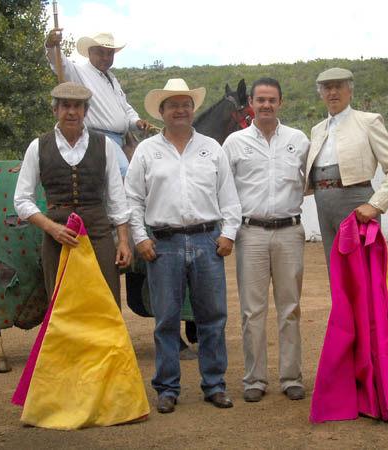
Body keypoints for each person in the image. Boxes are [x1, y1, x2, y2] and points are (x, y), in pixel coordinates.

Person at [124, 78, 242, 414]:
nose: (180, 110)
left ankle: (215, 385)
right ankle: (167, 388)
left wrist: (228, 233)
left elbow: (229, 195)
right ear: (161, 112)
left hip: (207, 240)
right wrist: (140, 237)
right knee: (165, 319)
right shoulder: (147, 151)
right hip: (164, 243)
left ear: (193, 109)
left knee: (213, 317)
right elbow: (132, 198)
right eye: (173, 105)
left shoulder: (212, 148)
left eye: (185, 104)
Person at [223, 77, 309, 403]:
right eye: (260, 100)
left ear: (280, 103)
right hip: (251, 233)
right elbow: (223, 189)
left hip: (289, 232)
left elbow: (311, 180)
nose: (266, 105)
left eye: (272, 99)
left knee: (290, 308)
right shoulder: (234, 143)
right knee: (252, 311)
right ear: (251, 104)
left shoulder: (299, 140)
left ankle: (291, 377)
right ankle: (255, 379)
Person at [14, 82, 132, 307]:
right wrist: (52, 228)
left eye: (77, 106)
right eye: (65, 106)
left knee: (106, 298)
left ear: (85, 111)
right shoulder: (37, 146)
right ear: (55, 110)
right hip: (57, 235)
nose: (71, 112)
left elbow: (117, 198)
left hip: (98, 232)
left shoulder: (105, 145)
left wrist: (123, 242)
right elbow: (21, 200)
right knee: (62, 303)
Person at [305, 67, 388, 269]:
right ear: (321, 93)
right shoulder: (317, 130)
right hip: (324, 208)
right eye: (327, 88)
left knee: (363, 273)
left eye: (339, 87)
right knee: (336, 272)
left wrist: (375, 204)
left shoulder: (368, 121)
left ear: (350, 90)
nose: (333, 92)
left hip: (357, 207)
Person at [45, 30, 151, 176]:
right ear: (90, 53)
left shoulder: (112, 79)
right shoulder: (79, 72)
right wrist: (51, 46)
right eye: (100, 52)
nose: (106, 57)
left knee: (146, 169)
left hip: (121, 140)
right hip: (98, 138)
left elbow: (125, 107)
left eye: (110, 53)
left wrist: (136, 121)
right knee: (124, 171)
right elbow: (60, 64)